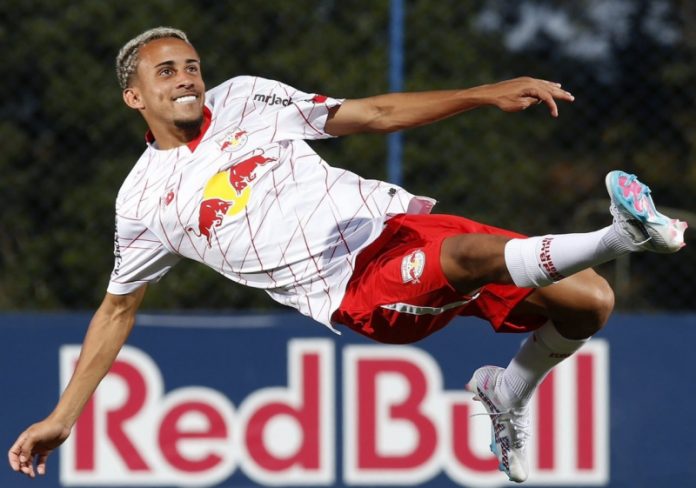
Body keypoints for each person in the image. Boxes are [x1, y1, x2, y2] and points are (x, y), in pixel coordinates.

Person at [8, 27, 687, 484]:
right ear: (135, 97)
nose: (186, 77)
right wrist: (62, 417)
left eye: (190, 65)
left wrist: (481, 94)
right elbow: (117, 309)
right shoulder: (141, 201)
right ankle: (626, 234)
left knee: (591, 302)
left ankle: (506, 390)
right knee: (476, 256)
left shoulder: (244, 97)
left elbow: (375, 114)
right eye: (166, 71)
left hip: (400, 225)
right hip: (356, 289)